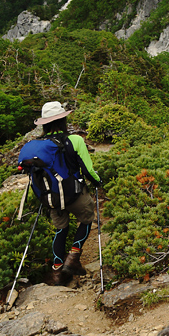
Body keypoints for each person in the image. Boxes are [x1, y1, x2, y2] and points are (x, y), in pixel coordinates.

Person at [34, 101, 102, 286]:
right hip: (75, 194)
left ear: (44, 124)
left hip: (52, 198)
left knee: (60, 229)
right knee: (87, 219)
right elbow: (87, 170)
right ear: (63, 119)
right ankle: (73, 256)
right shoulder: (75, 140)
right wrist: (97, 182)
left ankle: (57, 271)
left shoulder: (38, 146)